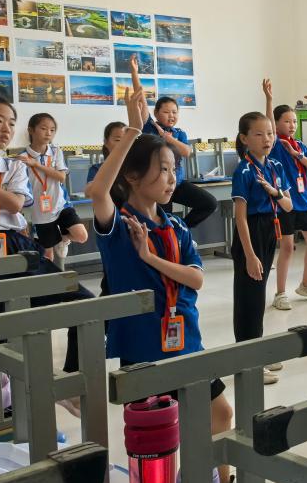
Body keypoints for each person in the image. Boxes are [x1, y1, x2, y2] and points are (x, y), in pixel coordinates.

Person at [90, 86, 234, 483]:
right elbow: (97, 191)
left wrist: (151, 258)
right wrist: (134, 131)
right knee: (158, 437)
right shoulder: (119, 225)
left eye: (173, 169)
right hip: (144, 350)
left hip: (186, 341)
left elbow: (197, 279)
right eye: (162, 169)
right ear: (133, 176)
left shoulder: (176, 227)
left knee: (220, 414)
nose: (171, 179)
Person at [0, 95, 94, 408]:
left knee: (83, 302)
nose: (7, 129)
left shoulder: (13, 166)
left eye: (11, 123)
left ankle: (70, 380)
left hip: (16, 247)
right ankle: (7, 398)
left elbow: (14, 204)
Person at [231, 111, 293, 385]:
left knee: (259, 298)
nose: (267, 139)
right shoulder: (243, 171)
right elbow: (240, 218)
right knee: (249, 300)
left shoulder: (275, 166)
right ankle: (248, 363)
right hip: (251, 234)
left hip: (270, 228)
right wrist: (250, 255)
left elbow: (288, 205)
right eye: (259, 134)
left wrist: (274, 192)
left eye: (270, 133)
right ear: (245, 139)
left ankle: (257, 353)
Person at [262, 79, 307, 310]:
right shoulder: (275, 144)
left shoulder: (298, 145)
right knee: (288, 247)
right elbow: (269, 124)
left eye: (295, 121)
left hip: (303, 201)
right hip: (284, 203)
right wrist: (269, 100)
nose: (292, 125)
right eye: (287, 121)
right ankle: (280, 293)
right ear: (277, 123)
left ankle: (306, 285)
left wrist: (297, 154)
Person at [142, 59, 216, 229]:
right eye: (166, 112)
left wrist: (168, 138)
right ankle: (170, 235)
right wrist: (134, 74)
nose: (171, 116)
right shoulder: (150, 127)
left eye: (175, 112)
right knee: (163, 221)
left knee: (209, 203)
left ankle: (181, 230)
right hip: (157, 184)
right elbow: (141, 104)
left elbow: (186, 152)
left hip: (178, 183)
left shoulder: (179, 133)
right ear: (156, 113)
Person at [19, 113, 87, 263]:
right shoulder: (23, 157)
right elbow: (20, 188)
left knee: (81, 235)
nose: (48, 133)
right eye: (44, 128)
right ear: (31, 130)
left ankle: (63, 238)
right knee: (48, 255)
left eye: (52, 130)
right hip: (40, 212)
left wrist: (36, 164)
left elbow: (61, 177)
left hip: (61, 205)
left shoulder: (56, 151)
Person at [86, 121, 127, 188]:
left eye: (127, 140)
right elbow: (92, 191)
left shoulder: (134, 168)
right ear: (106, 142)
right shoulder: (96, 170)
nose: (123, 144)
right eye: (118, 140)